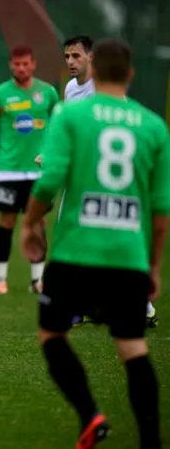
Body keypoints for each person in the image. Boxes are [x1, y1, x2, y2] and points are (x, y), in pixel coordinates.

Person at [20, 38, 167, 449]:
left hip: (75, 253)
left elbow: (50, 180)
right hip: (128, 257)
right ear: (132, 74)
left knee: (52, 335)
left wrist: (30, 225)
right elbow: (160, 213)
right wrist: (153, 266)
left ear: (95, 70)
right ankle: (152, 440)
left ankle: (91, 415)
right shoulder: (155, 127)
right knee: (134, 348)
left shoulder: (72, 115)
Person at [0, 45, 60, 295]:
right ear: (10, 65)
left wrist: (53, 155)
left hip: (40, 172)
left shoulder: (48, 93)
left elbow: (60, 126)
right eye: (17, 64)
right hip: (9, 171)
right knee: (6, 222)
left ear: (34, 64)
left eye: (26, 63)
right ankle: (0, 279)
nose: (21, 68)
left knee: (39, 223)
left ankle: (38, 281)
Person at [63, 35, 96, 101]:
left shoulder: (103, 87)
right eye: (67, 56)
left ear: (90, 56)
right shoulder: (70, 87)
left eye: (75, 56)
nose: (70, 62)